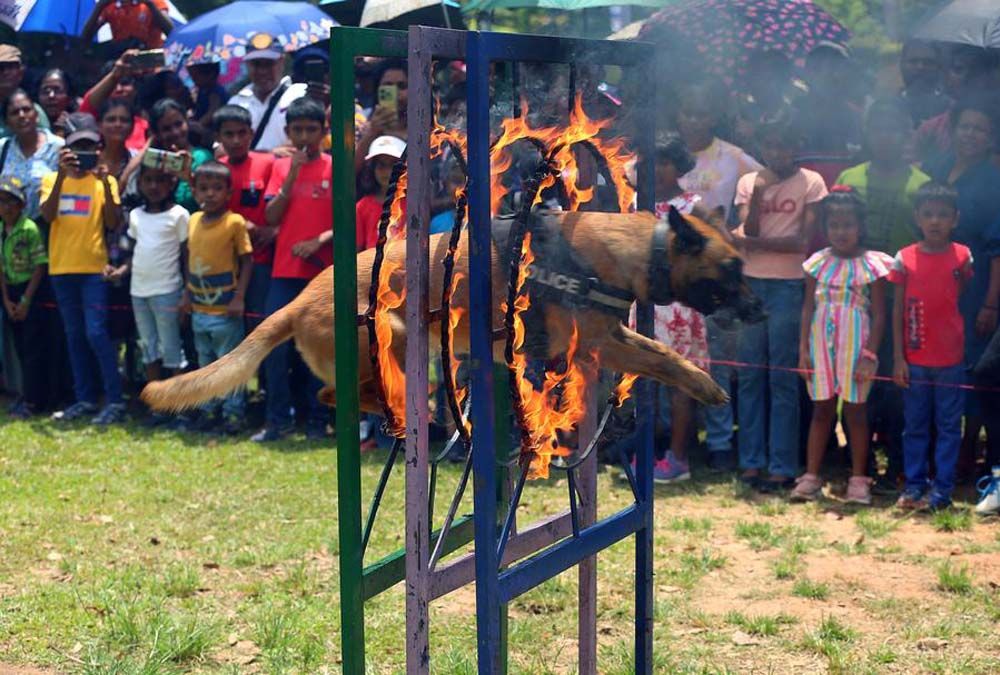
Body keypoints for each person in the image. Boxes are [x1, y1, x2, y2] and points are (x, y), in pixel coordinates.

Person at [836, 99, 930, 492]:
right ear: (868, 134)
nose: (885, 138)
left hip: (900, 294)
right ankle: (856, 462)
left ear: (906, 136)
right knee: (853, 380)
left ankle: (895, 462)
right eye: (879, 130)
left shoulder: (920, 183)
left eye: (894, 130)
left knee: (894, 382)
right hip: (852, 296)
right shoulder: (850, 176)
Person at [732, 112, 828, 492]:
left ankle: (782, 465)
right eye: (770, 145)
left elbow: (801, 242)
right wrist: (759, 194)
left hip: (790, 284)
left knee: (782, 379)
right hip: (751, 284)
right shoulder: (748, 181)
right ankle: (751, 463)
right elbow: (749, 229)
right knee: (752, 375)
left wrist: (752, 243)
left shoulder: (812, 182)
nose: (777, 152)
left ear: (796, 146)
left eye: (784, 145)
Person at [676, 82, 763, 471]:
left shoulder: (733, 157)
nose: (694, 120)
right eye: (687, 112)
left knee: (716, 359)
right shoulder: (666, 155)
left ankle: (719, 442)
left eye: (701, 113)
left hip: (715, 276)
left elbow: (766, 182)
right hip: (672, 274)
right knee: (673, 357)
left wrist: (735, 228)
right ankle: (675, 438)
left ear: (712, 117)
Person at [789, 187, 892, 505]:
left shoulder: (872, 266)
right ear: (825, 227)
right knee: (821, 409)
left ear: (860, 226)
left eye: (848, 225)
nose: (841, 232)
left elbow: (879, 314)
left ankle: (859, 478)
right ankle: (811, 476)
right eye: (834, 225)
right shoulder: (816, 264)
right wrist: (803, 349)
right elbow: (807, 308)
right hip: (820, 345)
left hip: (856, 349)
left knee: (856, 412)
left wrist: (870, 354)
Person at [922, 95, 1000, 484]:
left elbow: (997, 247)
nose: (970, 134)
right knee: (936, 356)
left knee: (967, 361)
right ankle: (942, 449)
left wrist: (990, 302)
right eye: (965, 126)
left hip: (975, 283)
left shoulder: (994, 180)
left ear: (990, 138)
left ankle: (969, 447)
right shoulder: (936, 169)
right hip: (933, 281)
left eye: (979, 129)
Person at [890, 182, 973, 511]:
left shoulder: (963, 257)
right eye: (928, 215)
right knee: (915, 426)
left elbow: (963, 297)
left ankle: (942, 491)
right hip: (915, 359)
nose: (935, 221)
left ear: (955, 218)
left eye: (942, 215)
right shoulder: (904, 258)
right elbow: (897, 309)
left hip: (951, 359)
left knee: (950, 426)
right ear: (917, 218)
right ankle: (913, 486)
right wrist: (898, 358)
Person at [39, 112, 125, 425]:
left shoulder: (106, 181)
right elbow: (47, 217)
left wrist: (104, 182)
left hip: (93, 269)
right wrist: (62, 176)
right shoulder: (51, 179)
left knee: (96, 333)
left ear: (99, 149)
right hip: (61, 269)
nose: (84, 153)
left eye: (90, 146)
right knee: (74, 336)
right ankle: (86, 398)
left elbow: (114, 222)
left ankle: (115, 400)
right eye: (78, 148)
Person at [256, 98, 332, 442]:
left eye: (311, 129)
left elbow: (349, 217)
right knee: (274, 347)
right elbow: (271, 217)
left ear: (323, 132)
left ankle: (318, 421)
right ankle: (277, 421)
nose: (304, 136)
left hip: (322, 274)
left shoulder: (335, 166)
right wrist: (293, 175)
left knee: (319, 349)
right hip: (284, 272)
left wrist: (319, 239)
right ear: (287, 132)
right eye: (298, 129)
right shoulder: (279, 167)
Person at [180, 162, 252, 434]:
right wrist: (186, 293)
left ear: (228, 192)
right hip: (199, 308)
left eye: (217, 188)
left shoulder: (234, 222)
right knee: (206, 362)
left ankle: (233, 414)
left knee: (228, 363)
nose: (210, 194)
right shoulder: (193, 220)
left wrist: (239, 297)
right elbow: (189, 258)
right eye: (203, 188)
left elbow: (247, 261)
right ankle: (210, 411)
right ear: (195, 191)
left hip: (225, 311)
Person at [114, 164, 188, 424]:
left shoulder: (179, 215)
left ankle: (178, 408)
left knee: (171, 350)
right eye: (147, 181)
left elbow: (185, 256)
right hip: (139, 292)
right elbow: (134, 253)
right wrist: (121, 271)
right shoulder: (135, 215)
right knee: (149, 349)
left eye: (159, 181)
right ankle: (157, 406)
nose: (153, 186)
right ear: (140, 184)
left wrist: (186, 293)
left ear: (171, 184)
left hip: (167, 290)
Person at [213, 105, 275, 340]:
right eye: (229, 134)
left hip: (261, 259)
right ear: (218, 137)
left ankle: (264, 378)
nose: (237, 140)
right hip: (224, 262)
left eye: (242, 133)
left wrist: (275, 230)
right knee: (226, 325)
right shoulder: (216, 170)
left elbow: (283, 206)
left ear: (251, 132)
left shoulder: (269, 163)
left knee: (261, 323)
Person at [0, 177, 48, 417]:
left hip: (30, 291)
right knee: (18, 349)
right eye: (2, 202)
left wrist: (25, 301)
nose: (6, 207)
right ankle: (22, 395)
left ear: (22, 204)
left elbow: (40, 266)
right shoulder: (1, 230)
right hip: (10, 292)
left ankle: (34, 401)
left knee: (33, 349)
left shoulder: (29, 228)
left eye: (12, 202)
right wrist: (7, 300)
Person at [228, 33, 307, 152]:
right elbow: (221, 150)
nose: (262, 71)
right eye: (256, 64)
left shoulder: (300, 95)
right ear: (247, 65)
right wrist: (269, 155)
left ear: (282, 61)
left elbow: (306, 141)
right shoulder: (236, 102)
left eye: (269, 64)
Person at [0, 90, 65, 219]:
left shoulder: (58, 147)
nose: (22, 115)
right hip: (11, 233)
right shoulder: (3, 148)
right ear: (7, 122)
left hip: (48, 229)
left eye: (26, 109)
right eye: (15, 113)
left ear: (36, 115)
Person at [149, 98, 212, 213]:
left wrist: (188, 178)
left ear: (187, 121)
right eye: (166, 129)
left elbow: (211, 201)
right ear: (156, 133)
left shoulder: (201, 157)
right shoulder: (154, 161)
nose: (175, 132)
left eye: (178, 124)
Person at [79, 51, 149, 152]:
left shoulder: (145, 127)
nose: (119, 89)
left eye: (125, 83)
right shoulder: (92, 121)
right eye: (111, 120)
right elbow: (88, 104)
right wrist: (115, 75)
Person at [355, 59, 408, 173]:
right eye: (388, 86)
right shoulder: (363, 129)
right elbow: (348, 174)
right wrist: (372, 133)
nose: (396, 92)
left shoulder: (427, 131)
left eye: (402, 86)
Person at [356, 135, 405, 252]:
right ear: (372, 169)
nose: (387, 172)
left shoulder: (415, 203)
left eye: (393, 165)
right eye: (381, 165)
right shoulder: (362, 207)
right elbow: (357, 251)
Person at [898, 40, 951, 128]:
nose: (920, 67)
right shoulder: (886, 106)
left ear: (939, 67)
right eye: (913, 61)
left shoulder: (952, 109)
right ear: (902, 65)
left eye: (928, 62)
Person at [0, 45, 50, 139]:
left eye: (10, 67)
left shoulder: (31, 110)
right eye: (1, 68)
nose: (5, 72)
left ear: (20, 73)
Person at [82, 0, 174, 49]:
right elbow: (85, 37)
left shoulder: (154, 2)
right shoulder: (110, 6)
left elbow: (171, 32)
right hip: (122, 59)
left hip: (150, 58)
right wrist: (99, 6)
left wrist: (150, 4)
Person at [189, 60, 226, 132]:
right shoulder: (202, 90)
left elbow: (212, 112)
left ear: (210, 74)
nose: (194, 81)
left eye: (196, 77)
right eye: (192, 77)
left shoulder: (215, 91)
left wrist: (198, 124)